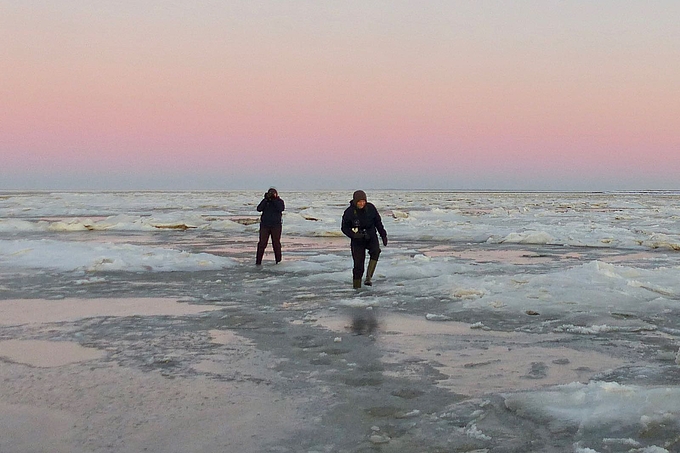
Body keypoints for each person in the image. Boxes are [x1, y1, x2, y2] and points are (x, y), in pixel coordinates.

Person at [341, 190, 387, 289]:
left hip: (371, 236)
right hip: (357, 240)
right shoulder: (349, 212)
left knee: (376, 251)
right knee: (358, 266)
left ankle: (368, 278)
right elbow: (344, 228)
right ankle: (356, 288)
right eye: (359, 201)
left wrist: (383, 234)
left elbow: (378, 222)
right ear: (355, 201)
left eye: (363, 201)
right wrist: (353, 235)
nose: (362, 203)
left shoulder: (371, 208)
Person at [256, 187, 285, 265]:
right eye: (270, 193)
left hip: (276, 225)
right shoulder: (266, 201)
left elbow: (281, 209)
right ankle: (258, 262)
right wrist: (265, 200)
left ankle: (278, 262)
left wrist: (274, 200)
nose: (271, 195)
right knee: (262, 244)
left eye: (272, 193)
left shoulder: (279, 201)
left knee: (276, 244)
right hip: (265, 225)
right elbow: (259, 209)